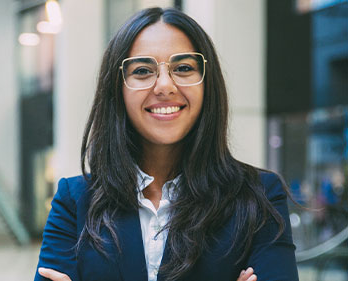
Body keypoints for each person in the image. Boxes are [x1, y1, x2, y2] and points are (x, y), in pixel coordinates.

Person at [34, 7, 299, 281]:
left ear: (208, 84)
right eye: (143, 70)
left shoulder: (259, 196)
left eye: (183, 68)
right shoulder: (74, 201)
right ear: (118, 89)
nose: (164, 85)